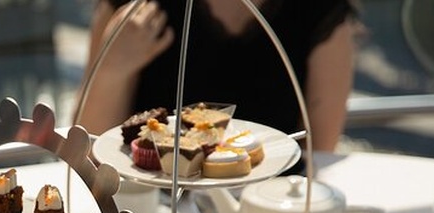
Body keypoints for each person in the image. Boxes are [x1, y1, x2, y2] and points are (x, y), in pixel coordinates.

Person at [75, 0, 358, 152]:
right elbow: (87, 143)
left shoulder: (318, 10)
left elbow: (318, 154)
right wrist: (113, 68)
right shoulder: (139, 8)